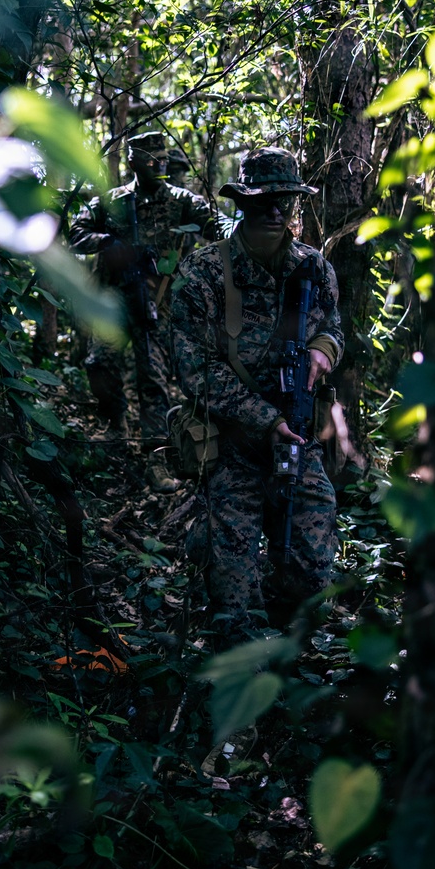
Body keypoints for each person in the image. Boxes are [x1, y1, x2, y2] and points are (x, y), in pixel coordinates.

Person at [170, 147, 343, 637]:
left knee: (310, 575)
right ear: (241, 203)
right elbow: (194, 368)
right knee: (232, 599)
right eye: (263, 201)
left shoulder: (314, 269)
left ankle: (294, 660)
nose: (274, 212)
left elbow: (333, 327)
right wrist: (264, 419)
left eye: (284, 202)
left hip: (296, 440)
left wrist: (323, 351)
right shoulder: (204, 273)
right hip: (233, 443)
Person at [68, 131, 220, 491]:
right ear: (134, 162)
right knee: (99, 363)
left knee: (153, 379)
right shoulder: (113, 201)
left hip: (158, 302)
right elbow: (76, 230)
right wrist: (110, 242)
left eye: (164, 159)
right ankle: (115, 423)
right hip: (113, 299)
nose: (159, 165)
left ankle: (157, 458)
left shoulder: (181, 200)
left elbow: (217, 223)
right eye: (151, 160)